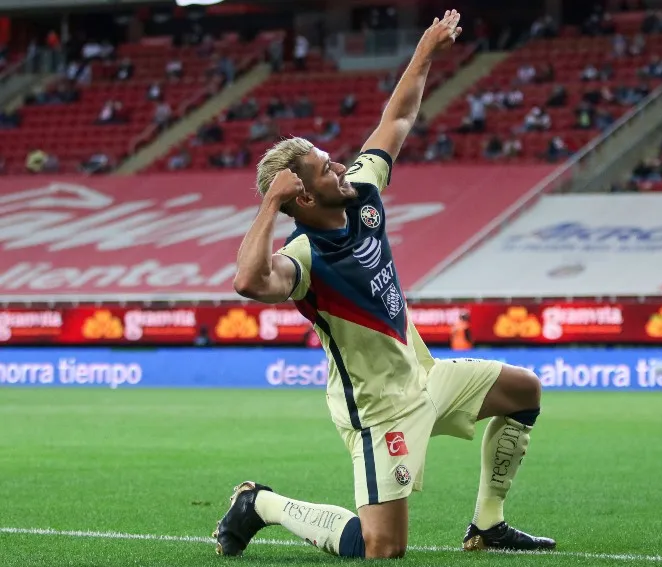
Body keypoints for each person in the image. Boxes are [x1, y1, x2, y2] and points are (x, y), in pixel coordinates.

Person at [217, 10, 554, 560]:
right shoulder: (303, 256)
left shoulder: (362, 190)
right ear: (302, 198)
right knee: (382, 548)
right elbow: (248, 282)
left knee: (524, 391)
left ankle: (487, 525)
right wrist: (270, 204)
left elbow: (397, 118)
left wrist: (425, 50)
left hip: (425, 377)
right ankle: (259, 505)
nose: (342, 170)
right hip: (379, 411)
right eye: (326, 170)